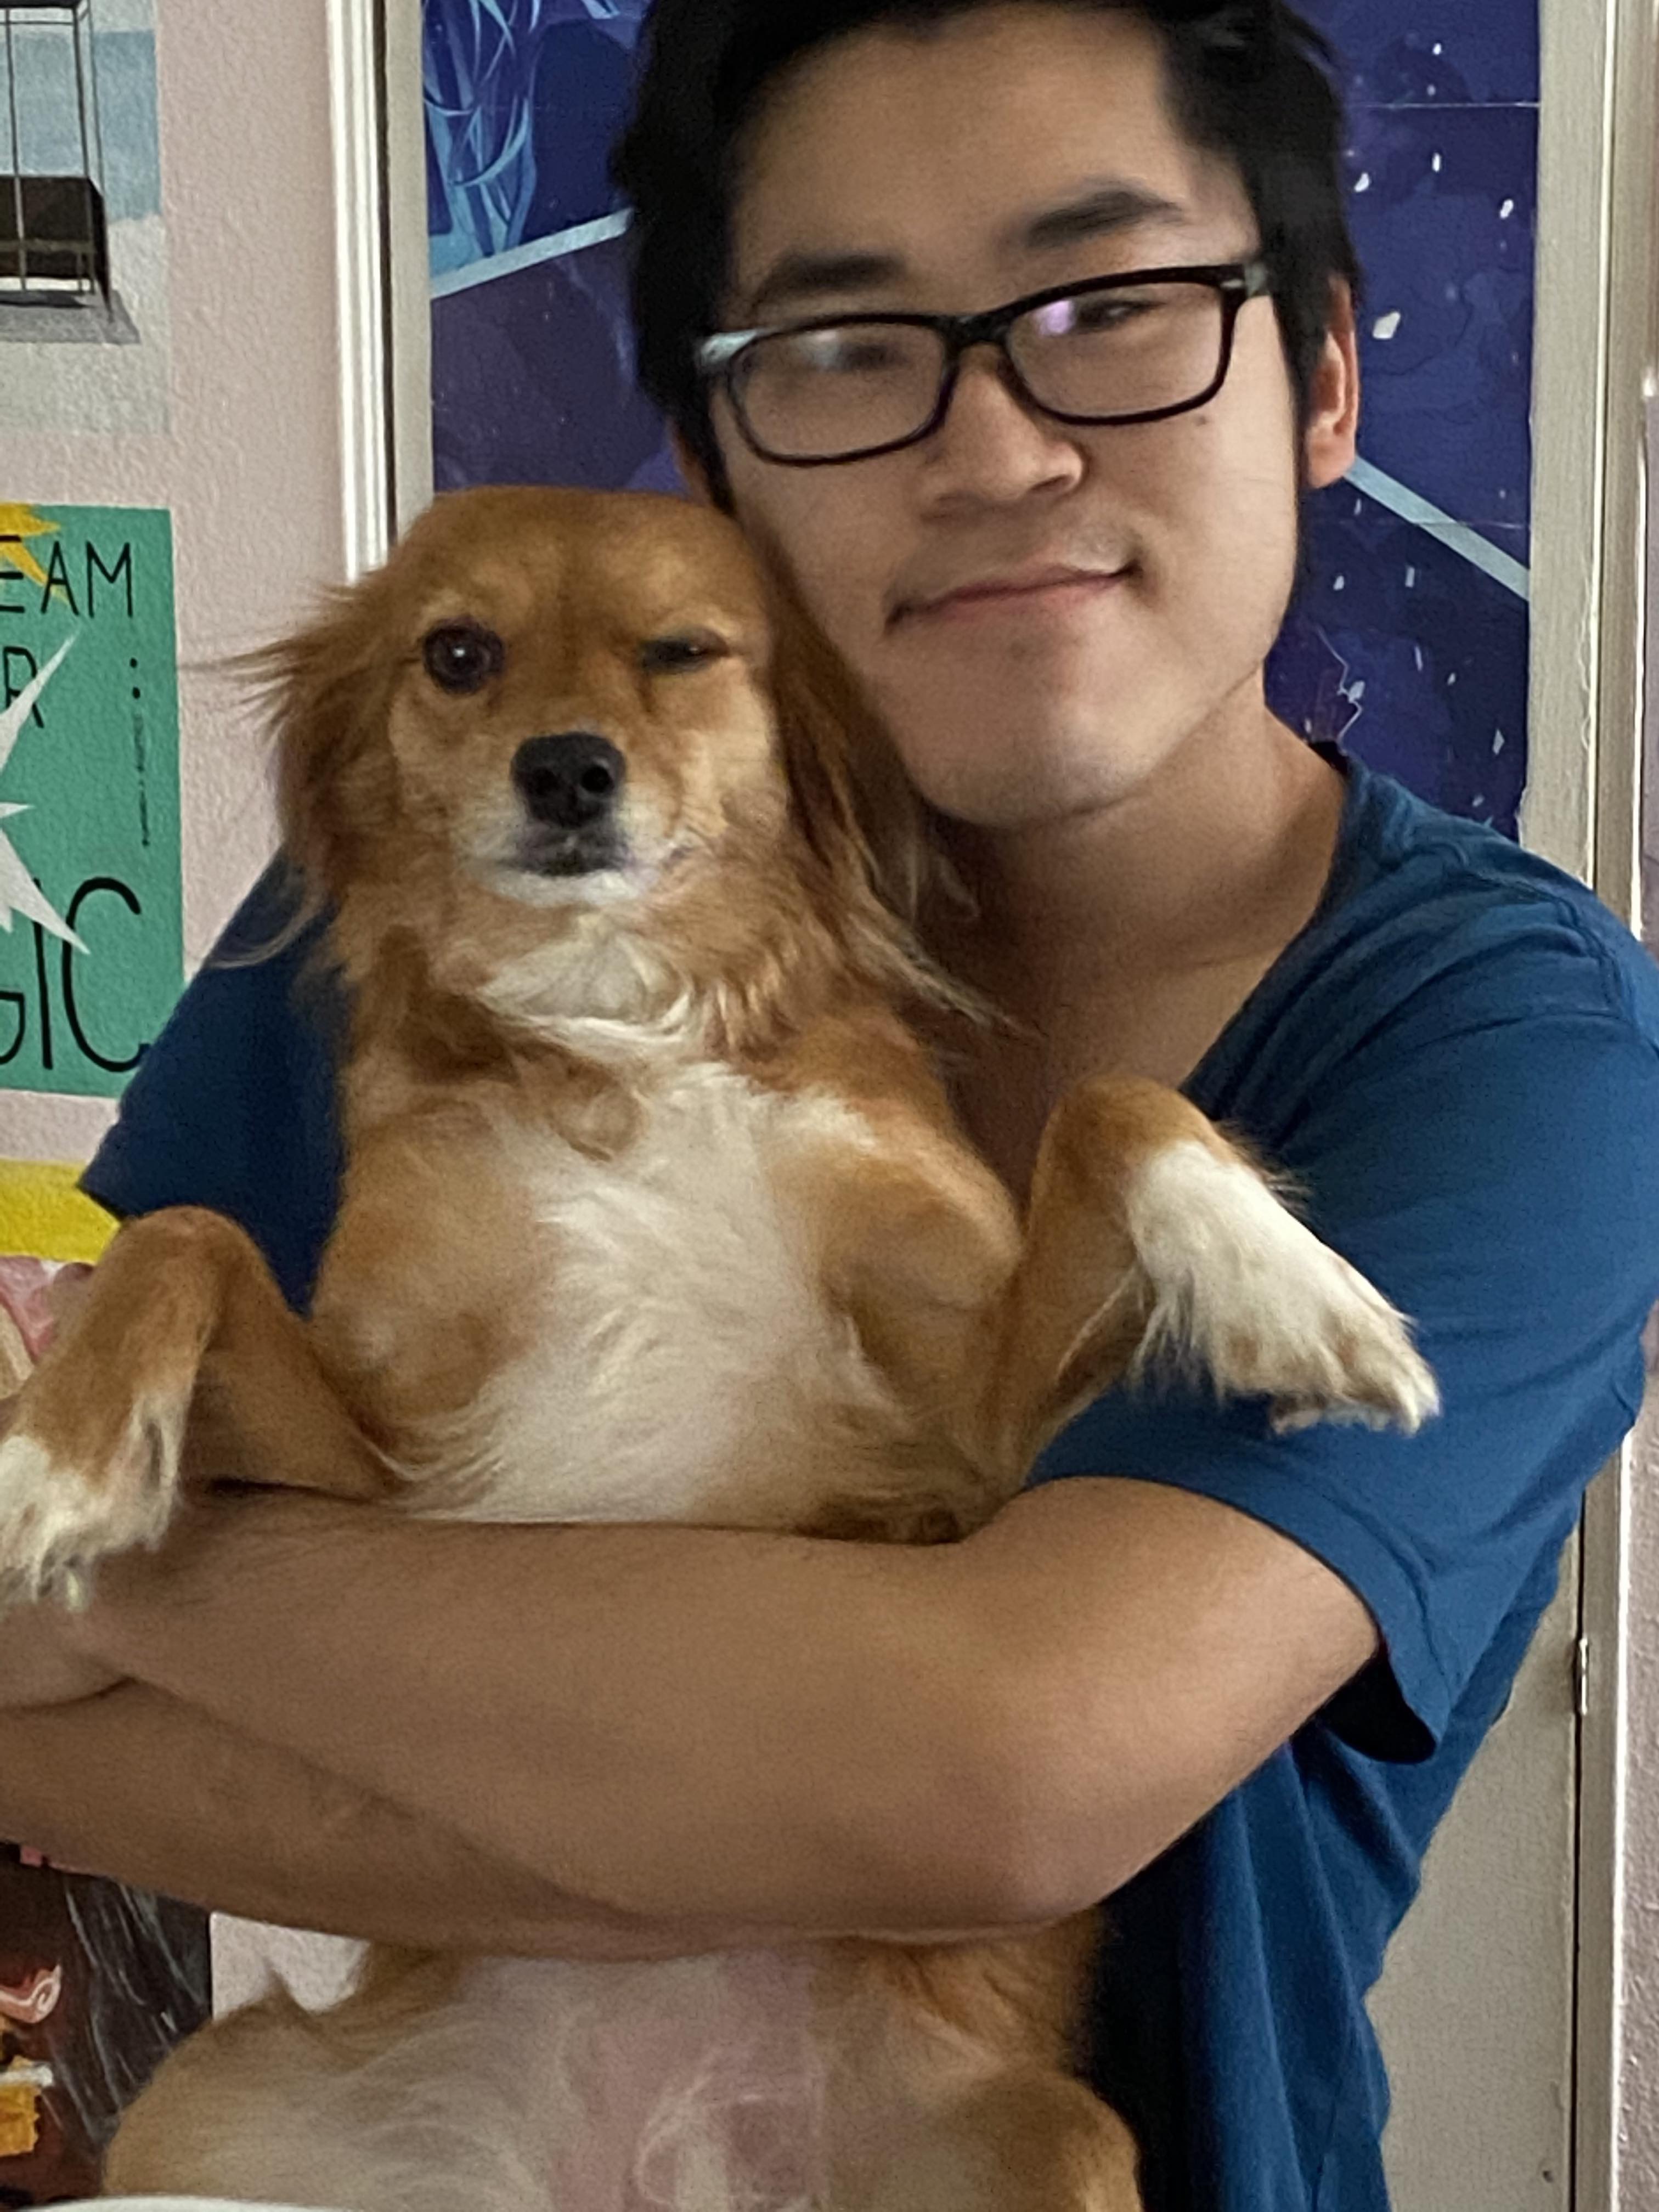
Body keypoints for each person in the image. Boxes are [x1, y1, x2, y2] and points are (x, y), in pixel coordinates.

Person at [3, 3, 1657, 2207]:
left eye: (1114, 307)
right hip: (439, 2120)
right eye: (851, 348)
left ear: (1326, 375)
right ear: (723, 466)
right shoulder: (443, 900)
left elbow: (995, 1782)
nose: (996, 450)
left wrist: (132, 1601)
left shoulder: (1514, 1045)